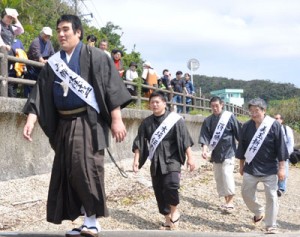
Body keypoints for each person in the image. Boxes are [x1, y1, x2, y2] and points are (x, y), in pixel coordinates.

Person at [22, 14, 132, 237]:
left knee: (85, 168)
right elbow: (40, 94)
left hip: (87, 121)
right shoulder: (54, 63)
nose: (61, 34)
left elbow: (111, 88)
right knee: (68, 171)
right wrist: (31, 119)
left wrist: (116, 119)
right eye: (59, 30)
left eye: (66, 30)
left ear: (78, 32)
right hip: (63, 123)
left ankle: (92, 221)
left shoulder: (97, 57)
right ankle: (84, 220)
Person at [132, 91, 195, 230]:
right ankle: (167, 220)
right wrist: (136, 159)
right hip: (156, 162)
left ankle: (174, 211)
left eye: (157, 102)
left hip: (172, 159)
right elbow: (139, 142)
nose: (154, 105)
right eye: (152, 102)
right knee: (159, 190)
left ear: (164, 103)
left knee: (171, 185)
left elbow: (184, 140)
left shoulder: (175, 120)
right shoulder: (146, 123)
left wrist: (190, 158)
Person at [236, 98, 288, 234]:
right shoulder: (246, 126)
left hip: (270, 168)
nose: (253, 114)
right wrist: (241, 165)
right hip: (251, 167)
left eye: (256, 111)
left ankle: (271, 225)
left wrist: (282, 168)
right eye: (251, 111)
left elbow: (281, 147)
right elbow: (242, 147)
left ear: (264, 111)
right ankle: (258, 211)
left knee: (271, 196)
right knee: (245, 193)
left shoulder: (274, 125)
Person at [199, 96, 241, 213]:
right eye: (212, 106)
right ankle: (226, 201)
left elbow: (239, 134)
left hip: (229, 152)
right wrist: (204, 150)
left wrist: (243, 152)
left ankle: (231, 202)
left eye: (217, 106)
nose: (215, 108)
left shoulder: (230, 117)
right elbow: (205, 137)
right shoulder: (208, 120)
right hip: (216, 154)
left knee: (227, 174)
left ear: (222, 105)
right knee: (219, 177)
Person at [0, 8, 24, 97]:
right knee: (3, 76)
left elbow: (21, 30)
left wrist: (16, 19)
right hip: (2, 53)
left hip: (9, 55)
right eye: (8, 17)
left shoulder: (10, 27)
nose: (9, 19)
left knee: (8, 76)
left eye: (11, 18)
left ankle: (7, 97)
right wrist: (3, 45)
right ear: (3, 16)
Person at [25, 26, 55, 97]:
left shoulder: (49, 43)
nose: (47, 36)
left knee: (40, 85)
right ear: (42, 33)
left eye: (49, 35)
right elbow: (36, 53)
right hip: (33, 67)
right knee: (30, 85)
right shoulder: (36, 41)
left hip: (42, 67)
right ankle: (27, 99)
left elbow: (52, 53)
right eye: (46, 34)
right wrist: (42, 60)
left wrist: (50, 60)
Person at [274, 113, 294, 197]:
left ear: (282, 120)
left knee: (283, 170)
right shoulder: (272, 128)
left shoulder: (287, 129)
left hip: (284, 153)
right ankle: (276, 187)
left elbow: (290, 143)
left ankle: (281, 188)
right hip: (274, 154)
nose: (276, 120)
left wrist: (286, 154)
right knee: (275, 170)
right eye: (274, 118)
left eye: (277, 118)